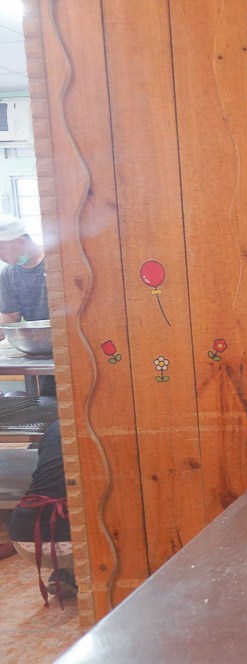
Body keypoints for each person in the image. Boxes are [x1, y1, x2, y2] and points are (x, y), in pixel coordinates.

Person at [6, 421, 75, 605]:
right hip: (68, 537)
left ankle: (65, 574)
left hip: (22, 534)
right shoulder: (102, 427)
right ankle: (74, 573)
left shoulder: (54, 428)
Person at [0, 214, 54, 398]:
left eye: (1, 248)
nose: (0, 256)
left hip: (71, 347)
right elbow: (10, 317)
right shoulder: (9, 274)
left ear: (21, 241)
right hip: (37, 352)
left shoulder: (57, 262)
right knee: (49, 404)